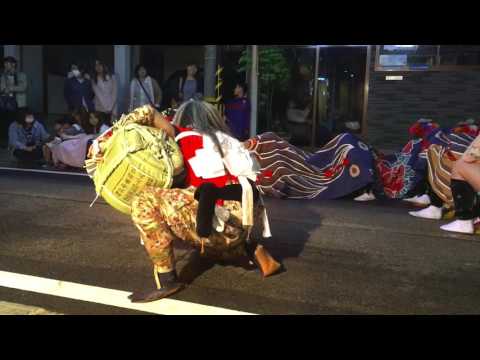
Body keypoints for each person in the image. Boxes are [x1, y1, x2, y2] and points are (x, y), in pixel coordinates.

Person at [91, 102, 280, 302]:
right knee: (193, 213)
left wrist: (108, 138)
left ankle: (167, 280)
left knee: (145, 200)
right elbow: (253, 186)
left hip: (214, 224)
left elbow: (147, 111)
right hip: (242, 222)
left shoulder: (181, 135)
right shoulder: (230, 142)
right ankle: (246, 247)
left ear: (184, 119)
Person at [244, 131, 376, 201]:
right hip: (286, 161)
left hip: (306, 160)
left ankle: (363, 180)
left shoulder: (265, 145)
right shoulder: (264, 172)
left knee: (346, 142)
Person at [0, 56, 28, 145]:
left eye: (7, 63)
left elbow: (23, 87)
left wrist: (10, 88)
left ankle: (20, 141)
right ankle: (6, 141)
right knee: (5, 123)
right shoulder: (2, 75)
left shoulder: (21, 75)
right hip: (5, 103)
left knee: (19, 122)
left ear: (13, 64)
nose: (5, 65)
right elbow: (1, 87)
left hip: (19, 103)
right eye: (4, 63)